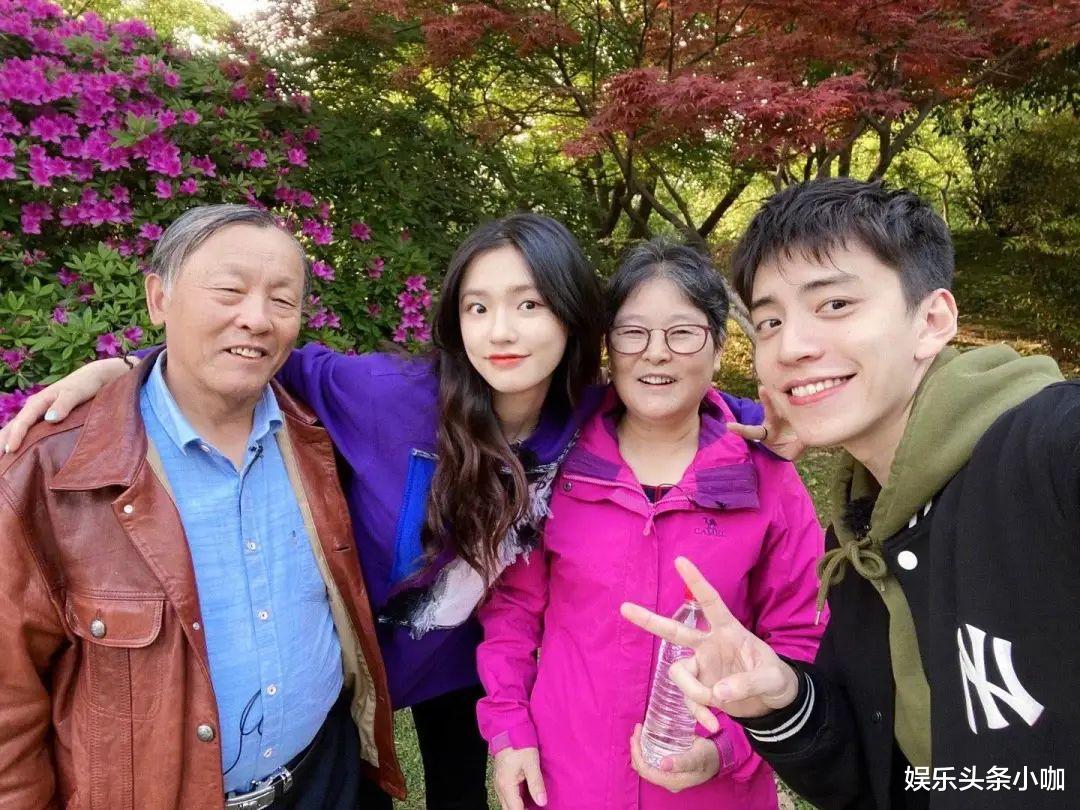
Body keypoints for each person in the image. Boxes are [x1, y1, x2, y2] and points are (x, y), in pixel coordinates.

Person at [0, 213, 769, 808]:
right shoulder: (384, 396)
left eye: (530, 304)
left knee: (459, 790)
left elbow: (688, 403)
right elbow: (251, 355)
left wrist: (777, 421)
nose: (502, 331)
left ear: (572, 317)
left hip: (470, 653)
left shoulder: (588, 411)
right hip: (360, 664)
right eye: (478, 307)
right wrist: (123, 367)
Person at [622, 179, 1079, 809]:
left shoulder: (1047, 452)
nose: (792, 346)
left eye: (834, 304)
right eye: (770, 321)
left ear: (932, 321)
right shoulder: (862, 536)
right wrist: (782, 698)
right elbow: (888, 778)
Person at [0, 204, 404, 809]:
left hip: (325, 776)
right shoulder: (51, 470)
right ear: (158, 299)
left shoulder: (318, 438)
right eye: (229, 291)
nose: (257, 319)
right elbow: (8, 702)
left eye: (283, 300)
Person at [476, 239, 827, 810]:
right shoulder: (556, 466)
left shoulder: (766, 481)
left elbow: (800, 637)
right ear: (609, 348)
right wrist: (510, 729)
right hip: (571, 779)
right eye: (633, 333)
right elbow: (513, 612)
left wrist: (725, 751)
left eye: (682, 333)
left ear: (718, 348)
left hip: (711, 791)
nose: (656, 354)